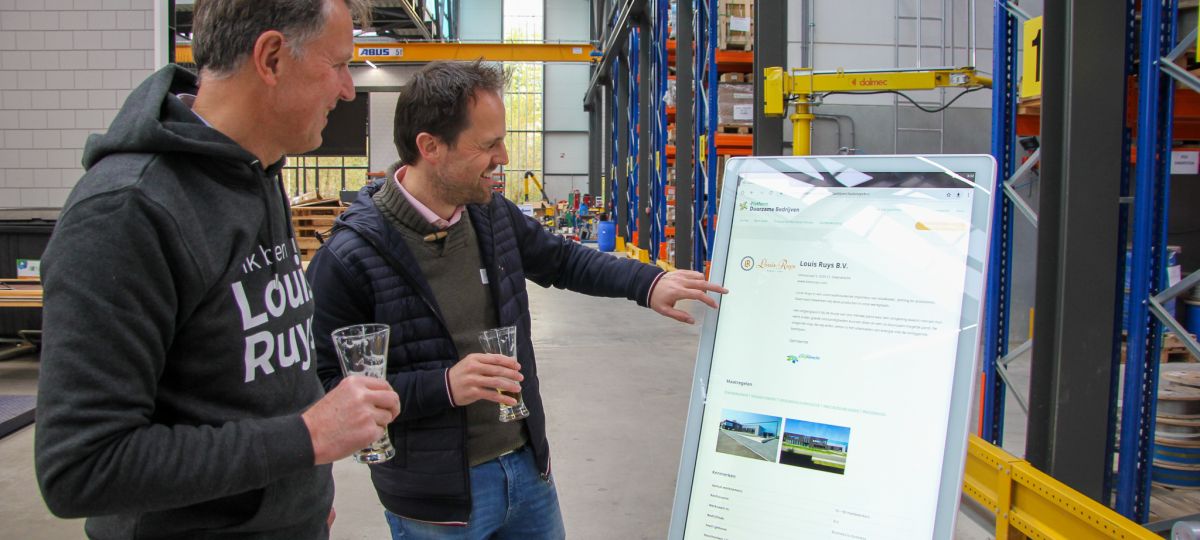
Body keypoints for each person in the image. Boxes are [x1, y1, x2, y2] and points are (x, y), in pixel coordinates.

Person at [306, 60, 728, 538]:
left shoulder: (490, 216)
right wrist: (445, 385)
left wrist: (648, 283)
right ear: (431, 147)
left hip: (526, 469)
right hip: (436, 502)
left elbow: (563, 260)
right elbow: (326, 387)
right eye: (488, 145)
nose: (503, 157)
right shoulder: (350, 257)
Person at [34, 1, 401, 538]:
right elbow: (81, 467)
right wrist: (305, 438)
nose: (348, 90)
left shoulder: (258, 170)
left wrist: (297, 498)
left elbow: (254, 379)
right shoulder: (126, 211)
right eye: (339, 64)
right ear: (271, 58)